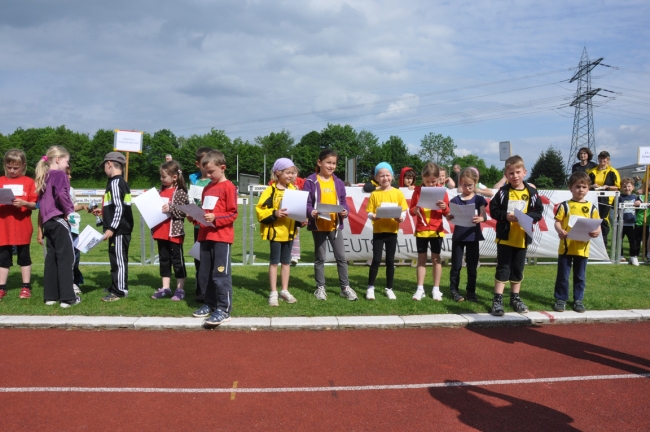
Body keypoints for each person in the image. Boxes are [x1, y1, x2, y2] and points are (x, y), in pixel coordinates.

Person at [489, 155, 543, 316]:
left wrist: (526, 217)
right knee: (503, 268)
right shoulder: (502, 192)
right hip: (505, 237)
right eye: (511, 173)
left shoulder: (532, 193)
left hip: (522, 238)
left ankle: (515, 297)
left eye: (518, 172)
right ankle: (497, 299)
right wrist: (505, 216)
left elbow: (538, 213)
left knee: (518, 269)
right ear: (506, 175)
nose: (515, 176)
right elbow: (493, 210)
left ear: (524, 172)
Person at [191, 150, 238, 326]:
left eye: (211, 172)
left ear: (223, 168)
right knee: (206, 273)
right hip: (205, 236)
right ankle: (209, 304)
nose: (208, 175)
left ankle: (224, 309)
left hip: (221, 238)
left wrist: (216, 218)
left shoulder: (229, 187)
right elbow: (205, 211)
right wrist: (195, 216)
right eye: (206, 172)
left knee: (220, 274)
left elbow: (232, 214)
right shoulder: (207, 188)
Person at [304, 149, 357, 301]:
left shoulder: (338, 183)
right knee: (320, 258)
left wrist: (345, 211)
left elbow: (343, 202)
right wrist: (311, 212)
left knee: (341, 258)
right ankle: (320, 288)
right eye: (328, 162)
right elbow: (306, 203)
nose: (331, 166)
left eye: (334, 163)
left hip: (335, 226)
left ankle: (345, 287)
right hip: (319, 226)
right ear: (319, 162)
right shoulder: (310, 181)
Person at [35, 146, 79, 308]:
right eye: (67, 161)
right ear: (58, 159)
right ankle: (68, 298)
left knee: (51, 258)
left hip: (48, 222)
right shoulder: (59, 174)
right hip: (59, 220)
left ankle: (50, 296)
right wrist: (69, 211)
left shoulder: (44, 175)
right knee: (66, 258)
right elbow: (62, 194)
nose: (68, 165)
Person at [553, 172, 601, 313]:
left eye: (584, 187)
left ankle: (578, 300)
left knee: (580, 276)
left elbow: (596, 224)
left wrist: (596, 232)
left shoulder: (592, 207)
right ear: (570, 188)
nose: (581, 189)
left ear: (588, 189)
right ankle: (561, 299)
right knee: (563, 275)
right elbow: (557, 222)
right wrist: (560, 231)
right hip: (566, 248)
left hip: (583, 248)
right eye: (578, 186)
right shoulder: (565, 206)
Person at [256, 158, 301, 306]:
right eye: (288, 172)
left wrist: (302, 220)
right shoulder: (270, 190)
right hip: (276, 233)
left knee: (286, 262)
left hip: (289, 232)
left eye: (293, 173)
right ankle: (274, 292)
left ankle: (285, 290)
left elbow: (299, 210)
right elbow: (260, 210)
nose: (291, 176)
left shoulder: (294, 190)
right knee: (274, 262)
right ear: (278, 172)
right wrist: (275, 213)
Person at [91, 152, 134, 302]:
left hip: (120, 230)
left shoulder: (116, 183)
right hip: (118, 228)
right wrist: (103, 212)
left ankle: (120, 290)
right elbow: (114, 206)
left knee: (119, 260)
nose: (104, 169)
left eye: (104, 166)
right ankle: (115, 285)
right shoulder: (115, 183)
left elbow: (120, 208)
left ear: (109, 164)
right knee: (114, 258)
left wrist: (111, 228)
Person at [365, 162, 408, 300]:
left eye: (387, 175)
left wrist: (401, 218)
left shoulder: (397, 193)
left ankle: (389, 288)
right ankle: (370, 287)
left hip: (392, 231)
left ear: (392, 176)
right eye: (381, 175)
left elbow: (404, 210)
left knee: (390, 260)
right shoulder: (374, 194)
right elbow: (369, 212)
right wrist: (373, 217)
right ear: (377, 178)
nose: (385, 178)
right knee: (376, 260)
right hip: (378, 231)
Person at [0, 149, 38, 300]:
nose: (12, 170)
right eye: (9, 167)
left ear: (23, 166)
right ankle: (2, 287)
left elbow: (34, 204)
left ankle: (26, 286)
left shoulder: (29, 182)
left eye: (16, 167)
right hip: (4, 227)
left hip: (22, 226)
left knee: (24, 257)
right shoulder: (1, 180)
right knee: (3, 258)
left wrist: (24, 203)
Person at [446, 167, 488, 302]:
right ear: (460, 183)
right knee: (456, 265)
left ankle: (471, 291)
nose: (467, 188)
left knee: (472, 266)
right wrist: (449, 216)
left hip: (473, 236)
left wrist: (480, 219)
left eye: (470, 185)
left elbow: (485, 217)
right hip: (459, 236)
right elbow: (449, 217)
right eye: (464, 185)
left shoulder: (479, 199)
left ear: (475, 183)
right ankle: (454, 290)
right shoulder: (455, 200)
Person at [409, 162, 449, 301]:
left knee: (436, 259)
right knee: (421, 259)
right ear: (422, 178)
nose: (430, 184)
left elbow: (448, 212)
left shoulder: (441, 191)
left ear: (438, 179)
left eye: (433, 181)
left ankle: (436, 289)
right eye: (427, 181)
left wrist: (444, 207)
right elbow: (411, 210)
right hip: (421, 230)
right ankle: (420, 288)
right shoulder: (418, 191)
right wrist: (415, 209)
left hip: (436, 230)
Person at [151, 161, 190, 300]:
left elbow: (184, 211)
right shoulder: (159, 191)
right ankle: (165, 288)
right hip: (160, 231)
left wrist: (171, 208)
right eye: (160, 176)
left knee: (177, 261)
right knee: (164, 260)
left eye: (164, 177)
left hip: (174, 233)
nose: (161, 179)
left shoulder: (180, 192)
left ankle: (180, 289)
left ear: (174, 177)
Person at [189, 147, 212, 301]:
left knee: (210, 259)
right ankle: (200, 289)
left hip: (211, 226)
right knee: (199, 258)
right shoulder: (194, 180)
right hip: (198, 226)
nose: (206, 165)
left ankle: (211, 289)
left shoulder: (214, 180)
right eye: (204, 162)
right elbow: (191, 200)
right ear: (198, 164)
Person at [587, 151, 620, 249]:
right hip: (593, 198)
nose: (602, 160)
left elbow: (618, 187)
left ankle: (604, 245)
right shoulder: (592, 171)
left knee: (604, 220)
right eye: (600, 158)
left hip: (607, 199)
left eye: (604, 158)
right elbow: (586, 184)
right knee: (592, 219)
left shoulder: (613, 171)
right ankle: (591, 243)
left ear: (608, 160)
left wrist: (607, 186)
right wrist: (593, 185)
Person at [66, 166, 87, 295]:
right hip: (62, 226)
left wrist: (83, 206)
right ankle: (67, 282)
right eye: (67, 174)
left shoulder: (71, 189)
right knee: (66, 255)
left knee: (75, 254)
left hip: (74, 227)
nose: (70, 177)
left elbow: (72, 206)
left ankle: (74, 281)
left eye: (70, 174)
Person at [619, 178, 639, 266]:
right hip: (621, 223)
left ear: (633, 187)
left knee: (633, 241)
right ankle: (620, 255)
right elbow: (614, 207)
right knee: (619, 241)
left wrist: (639, 202)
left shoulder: (635, 197)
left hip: (631, 223)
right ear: (621, 188)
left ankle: (633, 256)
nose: (627, 188)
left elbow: (640, 202)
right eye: (624, 187)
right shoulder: (619, 197)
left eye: (629, 186)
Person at [634, 183, 650, 262]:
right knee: (637, 239)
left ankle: (648, 255)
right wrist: (638, 202)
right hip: (640, 221)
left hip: (648, 222)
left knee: (648, 240)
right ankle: (635, 255)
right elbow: (637, 202)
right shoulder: (641, 196)